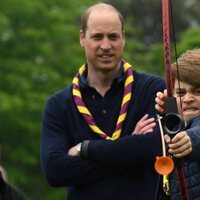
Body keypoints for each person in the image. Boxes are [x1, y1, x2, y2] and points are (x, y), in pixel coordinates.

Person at [41, 3, 167, 200]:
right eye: (97, 37)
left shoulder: (154, 89)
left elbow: (153, 146)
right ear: (82, 38)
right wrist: (129, 148)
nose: (106, 46)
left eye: (113, 36)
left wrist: (85, 149)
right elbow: (55, 171)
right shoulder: (58, 105)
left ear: (123, 38)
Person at [155, 49, 200, 199]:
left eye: (197, 92)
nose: (187, 98)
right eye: (180, 93)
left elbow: (196, 134)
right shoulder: (174, 125)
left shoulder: (191, 133)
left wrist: (189, 140)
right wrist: (169, 116)